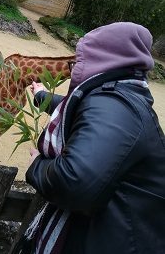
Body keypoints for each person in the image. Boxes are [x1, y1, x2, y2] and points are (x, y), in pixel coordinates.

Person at [13, 22, 165, 254]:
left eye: (82, 58)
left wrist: (38, 166)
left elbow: (75, 182)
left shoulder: (116, 106)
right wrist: (41, 95)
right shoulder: (122, 94)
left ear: (103, 57)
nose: (76, 66)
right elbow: (78, 110)